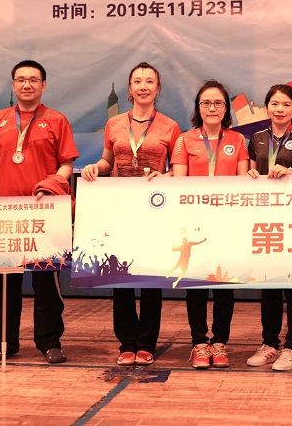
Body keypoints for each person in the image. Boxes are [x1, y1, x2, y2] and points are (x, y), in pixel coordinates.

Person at [0, 60, 78, 364]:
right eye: (21, 80)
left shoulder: (56, 120)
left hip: (43, 213)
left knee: (46, 283)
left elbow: (67, 163)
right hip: (4, 215)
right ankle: (3, 342)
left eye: (33, 80)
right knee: (4, 284)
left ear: (44, 85)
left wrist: (52, 185)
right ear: (13, 85)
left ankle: (50, 342)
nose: (27, 85)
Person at [80, 62, 180, 367]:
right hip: (119, 210)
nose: (143, 86)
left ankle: (146, 343)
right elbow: (108, 161)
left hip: (154, 211)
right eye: (138, 81)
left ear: (158, 88)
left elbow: (178, 170)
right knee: (119, 276)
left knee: (150, 278)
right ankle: (126, 343)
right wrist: (95, 168)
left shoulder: (170, 126)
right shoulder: (114, 124)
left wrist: (166, 176)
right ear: (130, 88)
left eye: (149, 81)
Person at [171, 79, 249, 369]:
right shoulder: (184, 140)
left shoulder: (238, 140)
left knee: (225, 286)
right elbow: (179, 184)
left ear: (226, 108)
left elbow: (242, 183)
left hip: (227, 224)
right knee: (196, 286)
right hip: (195, 225)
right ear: (198, 108)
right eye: (206, 103)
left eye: (218, 103)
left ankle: (220, 342)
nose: (212, 108)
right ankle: (199, 344)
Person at [245, 84, 292, 371]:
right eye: (274, 104)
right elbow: (249, 172)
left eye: (286, 104)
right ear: (267, 108)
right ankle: (270, 344)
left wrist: (291, 172)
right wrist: (250, 174)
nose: (280, 109)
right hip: (264, 222)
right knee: (270, 285)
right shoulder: (256, 138)